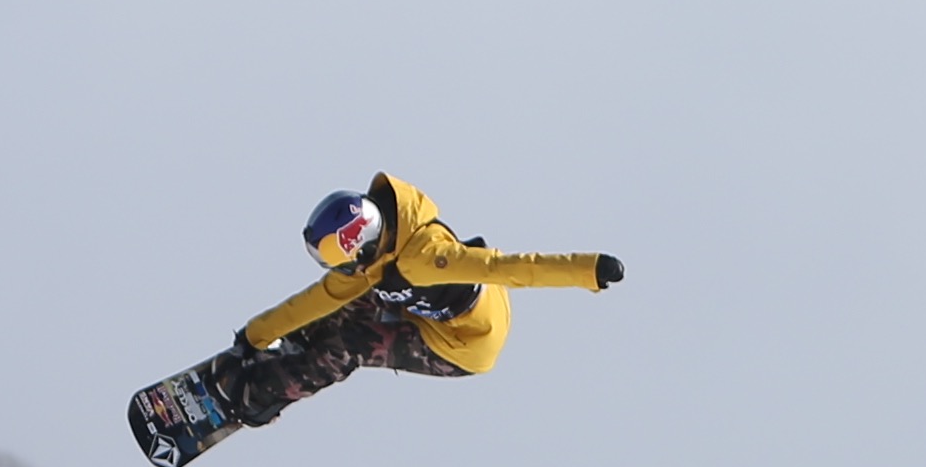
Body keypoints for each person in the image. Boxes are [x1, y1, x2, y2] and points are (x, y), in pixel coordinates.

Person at [210, 174, 624, 433]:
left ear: (362, 244)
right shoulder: (376, 261)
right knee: (339, 305)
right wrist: (252, 337)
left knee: (351, 344)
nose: (346, 269)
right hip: (431, 311)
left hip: (464, 345)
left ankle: (259, 394)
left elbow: (510, 268)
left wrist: (590, 270)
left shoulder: (425, 259)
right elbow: (315, 299)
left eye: (343, 260)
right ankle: (302, 349)